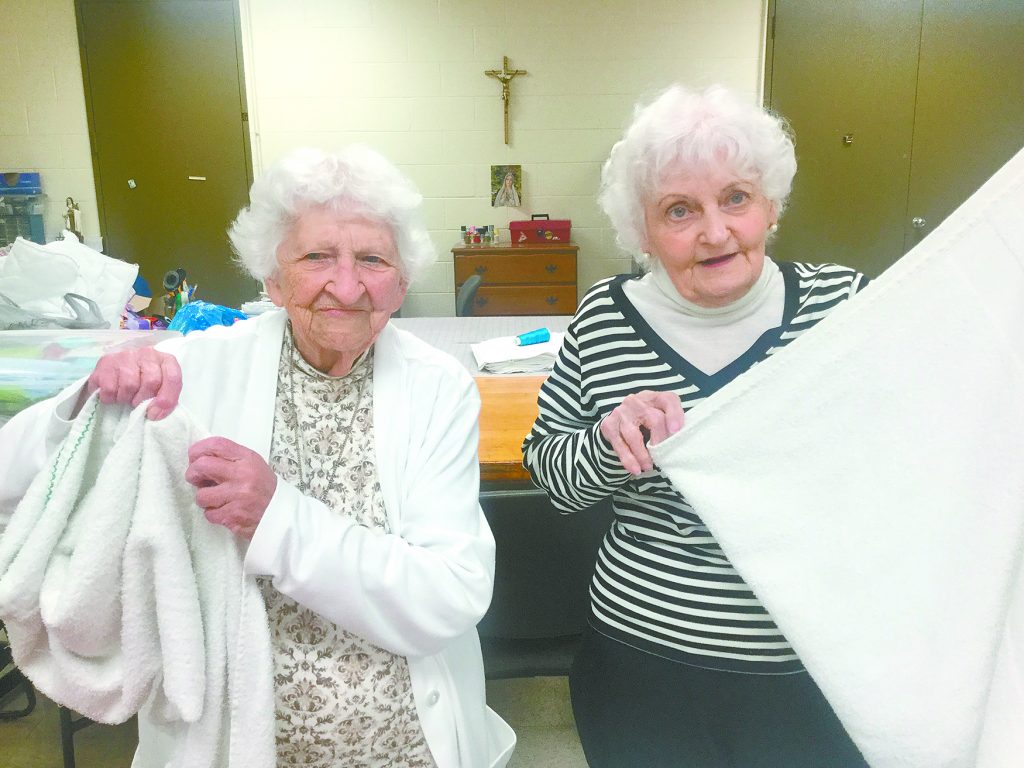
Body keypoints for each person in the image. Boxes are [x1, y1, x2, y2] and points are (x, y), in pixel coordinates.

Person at [0, 146, 515, 768]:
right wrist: (93, 401)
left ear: (401, 283)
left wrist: (276, 518)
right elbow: (14, 478)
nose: (346, 286)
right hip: (227, 744)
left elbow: (450, 596)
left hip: (408, 746)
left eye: (372, 260)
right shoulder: (201, 365)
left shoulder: (439, 386)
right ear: (272, 278)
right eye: (317, 256)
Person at [522, 84, 872, 767]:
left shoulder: (841, 305)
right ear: (642, 229)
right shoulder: (602, 317)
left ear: (770, 205)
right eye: (679, 210)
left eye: (736, 198)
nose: (715, 231)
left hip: (813, 668)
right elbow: (551, 473)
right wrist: (606, 442)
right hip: (642, 667)